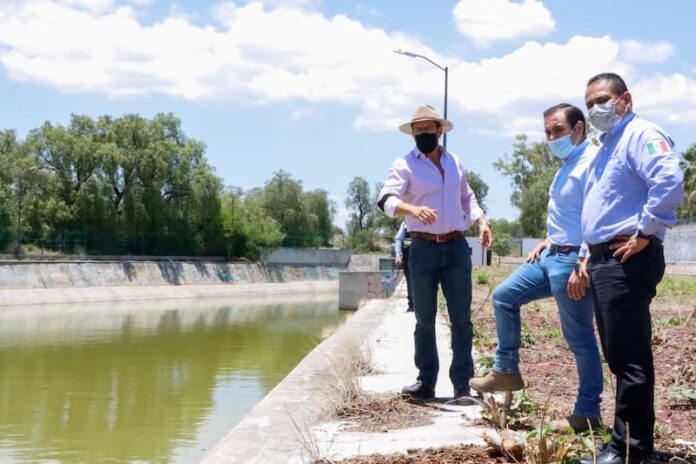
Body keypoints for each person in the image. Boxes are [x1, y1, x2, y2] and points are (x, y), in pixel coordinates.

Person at [469, 103, 604, 433]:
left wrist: (583, 260)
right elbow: (567, 215)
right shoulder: (565, 165)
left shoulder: (593, 162)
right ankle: (506, 371)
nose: (551, 137)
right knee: (503, 297)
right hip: (550, 255)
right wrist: (548, 239)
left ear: (579, 129)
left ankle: (587, 412)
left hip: (572, 261)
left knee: (579, 338)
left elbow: (597, 215)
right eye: (547, 132)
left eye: (557, 130)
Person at [578, 73, 684, 464]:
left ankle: (631, 452)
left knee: (631, 357)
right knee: (620, 356)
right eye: (589, 104)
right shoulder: (607, 145)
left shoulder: (641, 134)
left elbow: (669, 178)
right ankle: (622, 445)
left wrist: (645, 231)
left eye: (602, 99)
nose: (595, 109)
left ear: (625, 99)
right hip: (605, 258)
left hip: (628, 256)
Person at [377, 105, 492, 402]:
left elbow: (468, 197)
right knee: (424, 319)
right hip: (423, 249)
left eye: (429, 129)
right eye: (418, 129)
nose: (423, 134)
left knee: (462, 319)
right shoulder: (404, 165)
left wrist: (481, 221)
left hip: (455, 248)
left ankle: (463, 385)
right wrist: (412, 209)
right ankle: (426, 383)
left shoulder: (455, 162)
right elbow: (386, 200)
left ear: (439, 131)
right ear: (412, 133)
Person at [394, 221, 414, 312]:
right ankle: (411, 305)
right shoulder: (405, 223)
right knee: (409, 281)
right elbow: (398, 239)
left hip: (422, 255)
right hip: (407, 257)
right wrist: (398, 255)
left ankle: (421, 305)